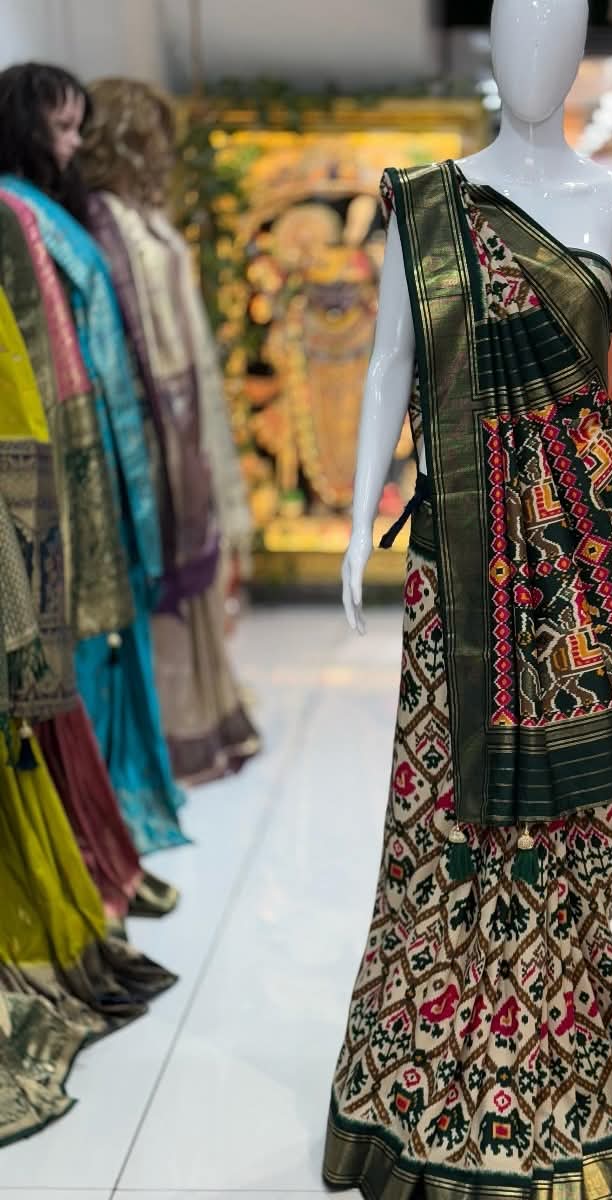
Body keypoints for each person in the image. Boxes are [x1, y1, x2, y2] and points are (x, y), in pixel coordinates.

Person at [325, 2, 612, 1196]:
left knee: (567, 832)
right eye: (519, 28)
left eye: (559, 29)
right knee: (443, 819)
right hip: (459, 569)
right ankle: (429, 1072)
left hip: (578, 569)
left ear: (582, 51)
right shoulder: (428, 204)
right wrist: (354, 522)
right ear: (488, 47)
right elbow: (389, 363)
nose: (537, 54)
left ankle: (562, 1063)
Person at [0, 62, 188, 854]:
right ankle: (88, 825)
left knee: (107, 627)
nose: (75, 144)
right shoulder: (17, 214)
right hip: (54, 450)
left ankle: (111, 810)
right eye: (62, 127)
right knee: (77, 631)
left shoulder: (49, 213)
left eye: (80, 127)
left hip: (97, 438)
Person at [78, 77, 259, 784]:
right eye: (152, 136)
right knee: (162, 602)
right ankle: (169, 738)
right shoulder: (102, 224)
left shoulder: (141, 221)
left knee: (193, 590)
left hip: (182, 429)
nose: (162, 152)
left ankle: (201, 725)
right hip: (152, 439)